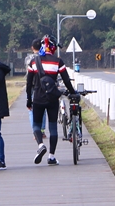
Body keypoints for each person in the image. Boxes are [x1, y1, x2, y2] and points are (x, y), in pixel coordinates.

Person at [26, 36, 76, 165]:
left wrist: (28, 99)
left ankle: (40, 145)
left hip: (37, 97)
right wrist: (72, 93)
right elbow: (66, 80)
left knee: (36, 125)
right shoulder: (57, 61)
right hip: (53, 97)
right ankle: (51, 156)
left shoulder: (34, 61)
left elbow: (29, 83)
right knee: (53, 127)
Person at [24, 38, 47, 140]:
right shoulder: (45, 57)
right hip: (44, 86)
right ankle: (42, 131)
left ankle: (35, 131)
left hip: (33, 86)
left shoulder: (28, 59)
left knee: (32, 110)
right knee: (43, 109)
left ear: (32, 48)